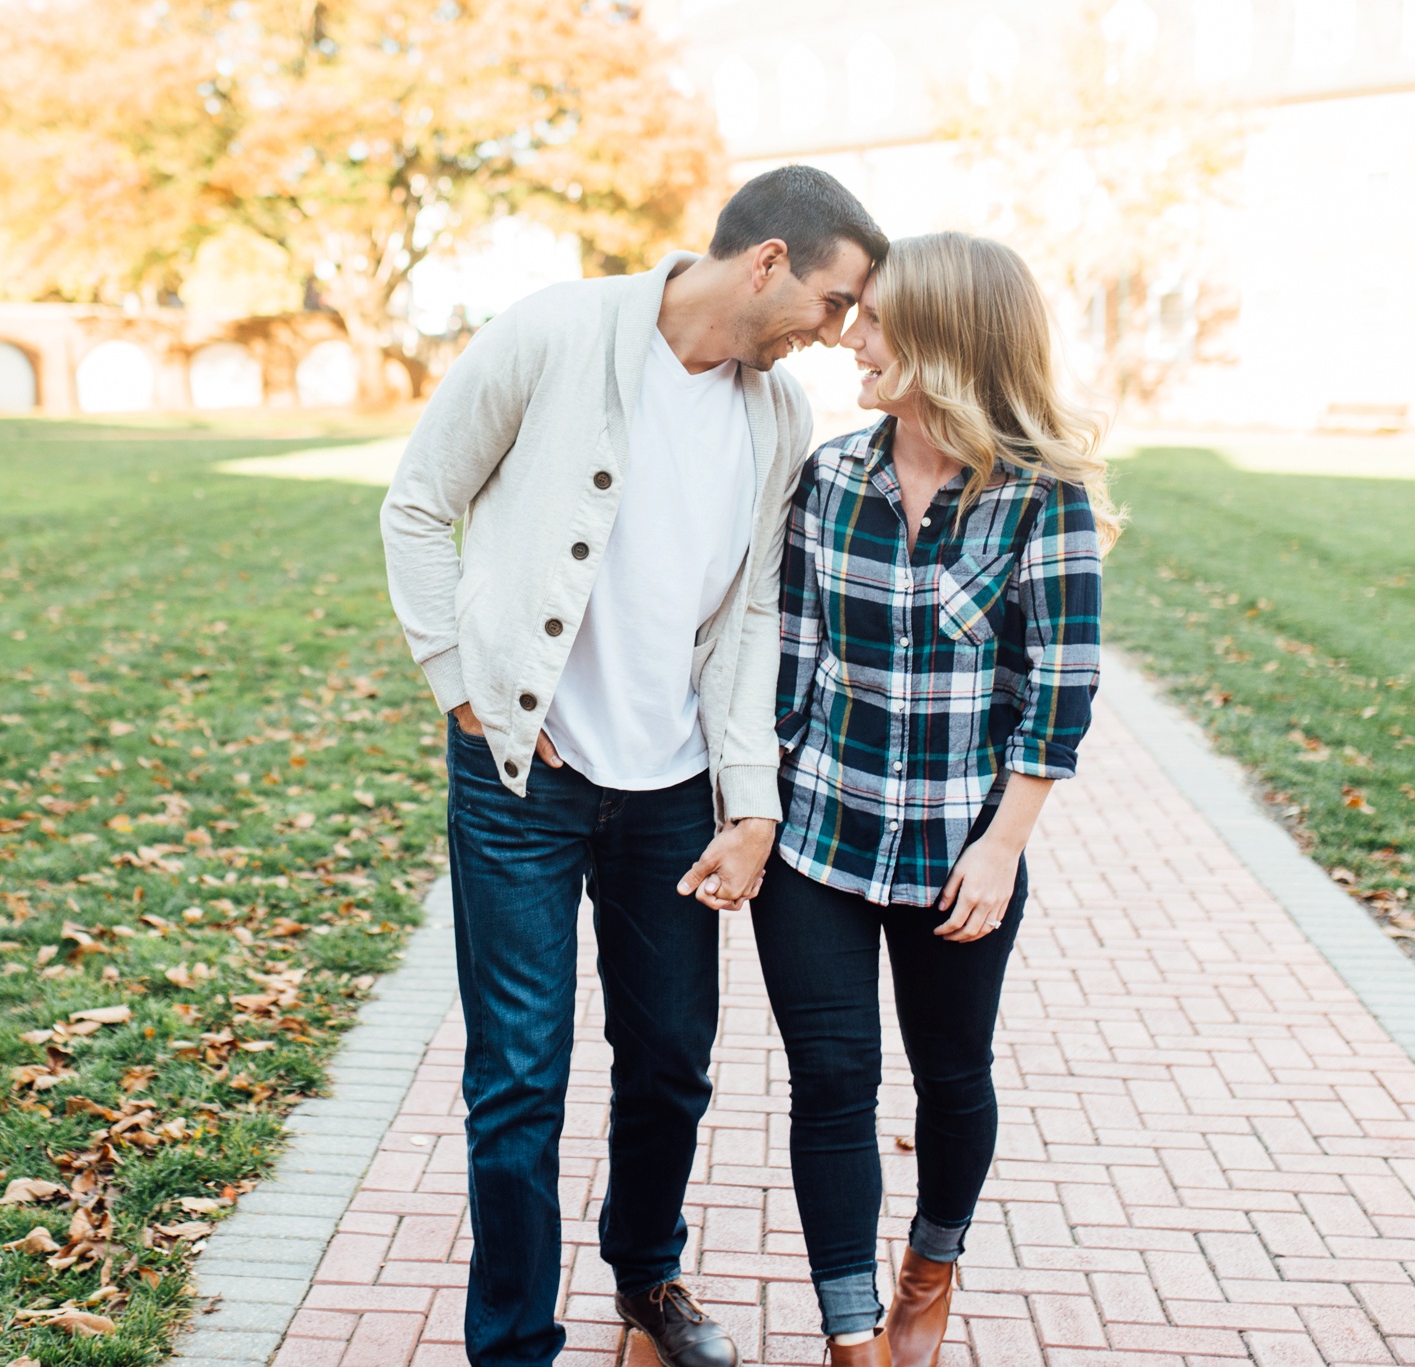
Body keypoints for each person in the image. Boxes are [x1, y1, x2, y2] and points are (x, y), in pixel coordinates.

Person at [380, 167, 886, 1367]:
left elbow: (756, 610)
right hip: (522, 780)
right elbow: (416, 504)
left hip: (668, 790)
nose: (839, 335)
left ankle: (645, 1275)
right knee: (517, 1074)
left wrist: (749, 798)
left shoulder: (777, 418)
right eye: (833, 303)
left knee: (669, 1058)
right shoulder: (556, 331)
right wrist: (459, 684)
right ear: (767, 261)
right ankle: (512, 1342)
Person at [756, 232, 1121, 1367]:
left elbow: (1056, 694)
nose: (848, 339)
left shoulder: (1038, 502)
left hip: (960, 852)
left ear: (946, 343)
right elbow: (787, 664)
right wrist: (751, 811)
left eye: (873, 323)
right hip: (819, 837)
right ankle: (850, 1330)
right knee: (829, 1083)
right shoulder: (828, 477)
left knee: (952, 1073)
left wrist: (1003, 844)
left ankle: (930, 1262)